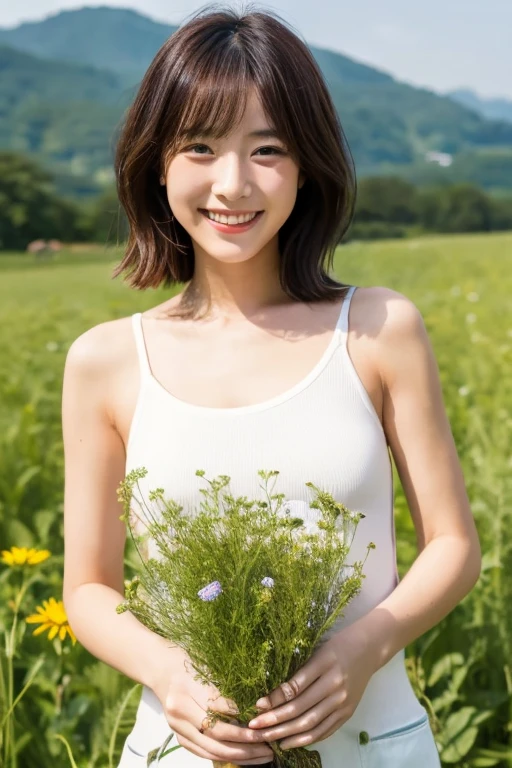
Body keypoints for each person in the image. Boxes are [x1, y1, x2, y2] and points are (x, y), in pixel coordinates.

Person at [61, 6, 481, 767]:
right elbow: (88, 588)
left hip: (374, 745)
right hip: (183, 747)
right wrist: (170, 672)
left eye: (267, 149)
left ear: (307, 164)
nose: (233, 183)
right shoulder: (107, 361)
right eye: (199, 147)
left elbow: (452, 545)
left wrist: (365, 647)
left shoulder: (378, 328)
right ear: (157, 163)